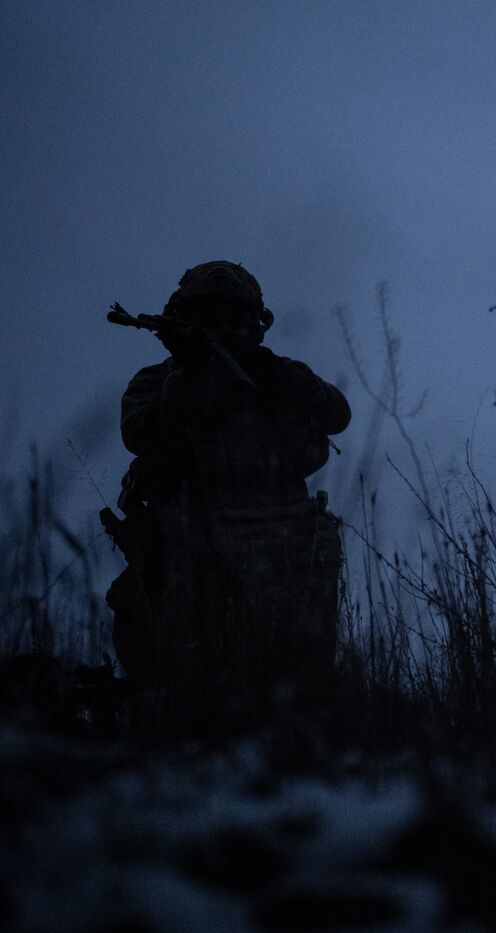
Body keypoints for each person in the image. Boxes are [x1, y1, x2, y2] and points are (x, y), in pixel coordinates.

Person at [102, 261, 351, 709]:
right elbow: (138, 433)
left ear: (256, 325)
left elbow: (337, 414)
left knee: (297, 680)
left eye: (237, 320)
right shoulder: (161, 379)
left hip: (283, 537)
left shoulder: (278, 372)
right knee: (179, 676)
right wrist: (192, 375)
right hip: (190, 535)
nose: (227, 329)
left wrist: (272, 374)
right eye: (213, 319)